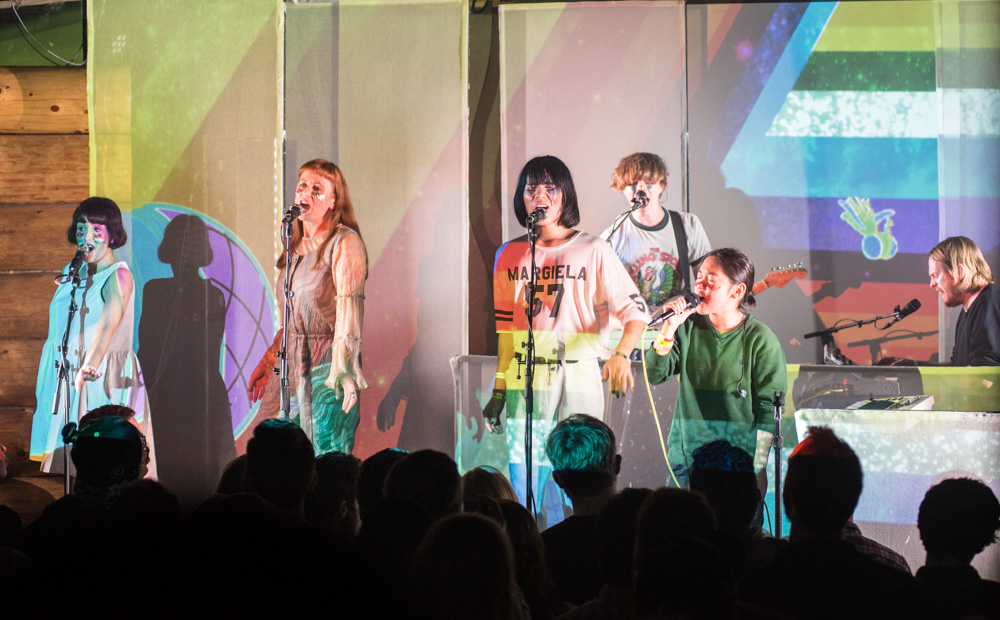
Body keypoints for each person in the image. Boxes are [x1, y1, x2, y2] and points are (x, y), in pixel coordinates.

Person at [483, 155, 649, 510]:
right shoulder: (508, 254)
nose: (539, 195)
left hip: (579, 367)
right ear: (522, 198)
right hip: (525, 371)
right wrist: (499, 387)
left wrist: (621, 354)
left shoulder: (593, 249)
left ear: (565, 196)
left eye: (549, 187)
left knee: (582, 464)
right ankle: (533, 542)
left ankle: (585, 538)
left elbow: (635, 312)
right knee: (525, 470)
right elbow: (507, 329)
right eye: (531, 188)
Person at [248, 159, 369, 454]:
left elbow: (349, 312)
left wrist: (343, 369)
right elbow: (288, 321)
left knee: (320, 448)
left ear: (333, 201)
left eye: (317, 189)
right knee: (271, 450)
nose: (306, 193)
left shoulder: (343, 242)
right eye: (303, 186)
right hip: (288, 364)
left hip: (326, 362)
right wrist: (268, 361)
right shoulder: (294, 249)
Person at [29, 197, 154, 477]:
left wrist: (90, 364)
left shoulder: (118, 276)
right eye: (82, 227)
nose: (88, 235)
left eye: (97, 228)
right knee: (75, 460)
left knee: (107, 456)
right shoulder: (72, 273)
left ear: (112, 234)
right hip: (66, 369)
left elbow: (107, 327)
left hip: (101, 373)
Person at [645, 247, 786, 488]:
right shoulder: (687, 327)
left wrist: (759, 466)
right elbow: (656, 374)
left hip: (735, 465)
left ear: (737, 291)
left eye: (710, 282)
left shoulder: (761, 340)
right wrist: (668, 329)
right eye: (698, 279)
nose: (699, 287)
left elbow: (768, 410)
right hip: (687, 460)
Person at [602, 152, 711, 315]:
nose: (641, 189)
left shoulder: (688, 225)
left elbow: (707, 287)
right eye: (632, 183)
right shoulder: (612, 236)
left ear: (662, 185)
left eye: (649, 182)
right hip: (633, 331)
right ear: (622, 189)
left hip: (676, 330)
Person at [880, 236, 999, 366]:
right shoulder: (971, 307)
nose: (932, 284)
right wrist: (912, 366)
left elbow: (985, 377)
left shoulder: (987, 304)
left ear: (959, 271)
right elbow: (958, 366)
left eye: (935, 276)